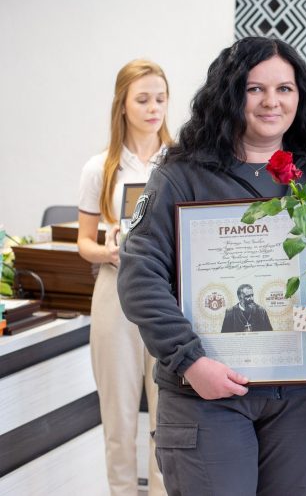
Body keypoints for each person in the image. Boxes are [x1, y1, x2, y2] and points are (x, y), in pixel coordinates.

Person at [117, 37, 306, 496]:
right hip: (204, 393)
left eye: (284, 89)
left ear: (301, 97)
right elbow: (139, 277)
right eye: (255, 89)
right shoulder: (180, 177)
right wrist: (190, 361)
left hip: (300, 394)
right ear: (229, 94)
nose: (272, 101)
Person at [77, 59, 171, 496]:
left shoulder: (181, 162)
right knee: (117, 417)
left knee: (168, 417)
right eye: (143, 99)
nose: (154, 108)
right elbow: (84, 243)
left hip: (168, 295)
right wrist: (109, 252)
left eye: (161, 99)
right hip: (114, 295)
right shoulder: (101, 168)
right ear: (122, 105)